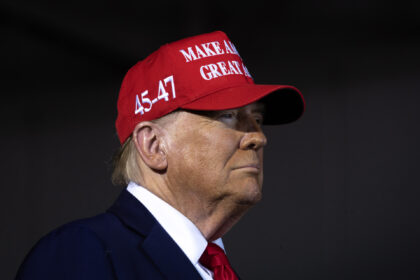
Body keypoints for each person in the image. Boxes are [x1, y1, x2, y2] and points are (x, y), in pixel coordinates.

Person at [15, 30, 305, 280]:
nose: (258, 136)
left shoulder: (213, 269)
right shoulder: (80, 253)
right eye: (228, 115)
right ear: (153, 145)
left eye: (257, 119)